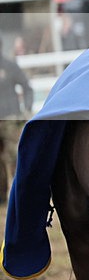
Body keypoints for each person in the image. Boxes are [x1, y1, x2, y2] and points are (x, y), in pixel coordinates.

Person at [0, 35, 33, 203]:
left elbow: (27, 88)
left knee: (15, 158)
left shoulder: (10, 66)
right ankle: (1, 198)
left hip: (11, 120)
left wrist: (26, 109)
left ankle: (19, 194)